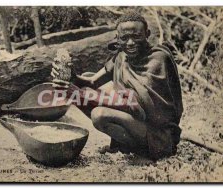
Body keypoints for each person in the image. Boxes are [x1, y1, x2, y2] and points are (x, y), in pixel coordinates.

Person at [51, 12, 183, 161]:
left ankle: (145, 152)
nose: (130, 43)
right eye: (124, 38)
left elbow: (134, 105)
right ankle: (125, 146)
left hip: (159, 134)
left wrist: (80, 93)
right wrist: (71, 76)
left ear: (147, 34)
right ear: (118, 37)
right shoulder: (121, 56)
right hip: (137, 123)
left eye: (136, 36)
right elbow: (92, 82)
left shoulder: (158, 58)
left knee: (99, 114)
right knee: (81, 93)